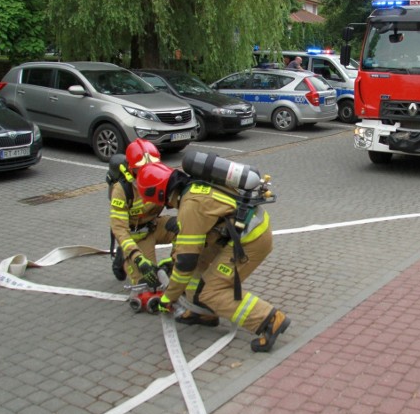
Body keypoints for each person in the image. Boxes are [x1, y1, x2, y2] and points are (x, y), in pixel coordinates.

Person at [136, 161, 291, 352]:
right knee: (198, 270)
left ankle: (269, 319)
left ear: (159, 194)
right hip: (241, 232)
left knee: (212, 290)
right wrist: (173, 260)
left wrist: (168, 298)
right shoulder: (195, 187)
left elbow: (186, 262)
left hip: (251, 241)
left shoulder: (190, 206)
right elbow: (191, 249)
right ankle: (203, 312)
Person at [109, 139, 177, 287]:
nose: (148, 172)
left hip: (154, 226)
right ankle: (124, 255)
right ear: (131, 169)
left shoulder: (161, 178)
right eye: (142, 169)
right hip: (135, 238)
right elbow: (119, 228)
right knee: (148, 283)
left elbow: (182, 203)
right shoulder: (121, 190)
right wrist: (137, 257)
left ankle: (172, 264)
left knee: (183, 226)